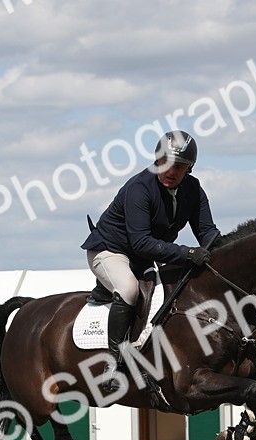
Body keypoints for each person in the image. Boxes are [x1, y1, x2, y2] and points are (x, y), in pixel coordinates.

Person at [81, 130, 220, 389]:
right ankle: (113, 365)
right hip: (110, 251)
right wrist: (189, 254)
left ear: (189, 168)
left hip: (145, 257)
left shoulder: (193, 189)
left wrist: (223, 250)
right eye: (165, 162)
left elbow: (207, 232)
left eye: (179, 166)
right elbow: (141, 242)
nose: (171, 171)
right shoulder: (140, 188)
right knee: (129, 290)